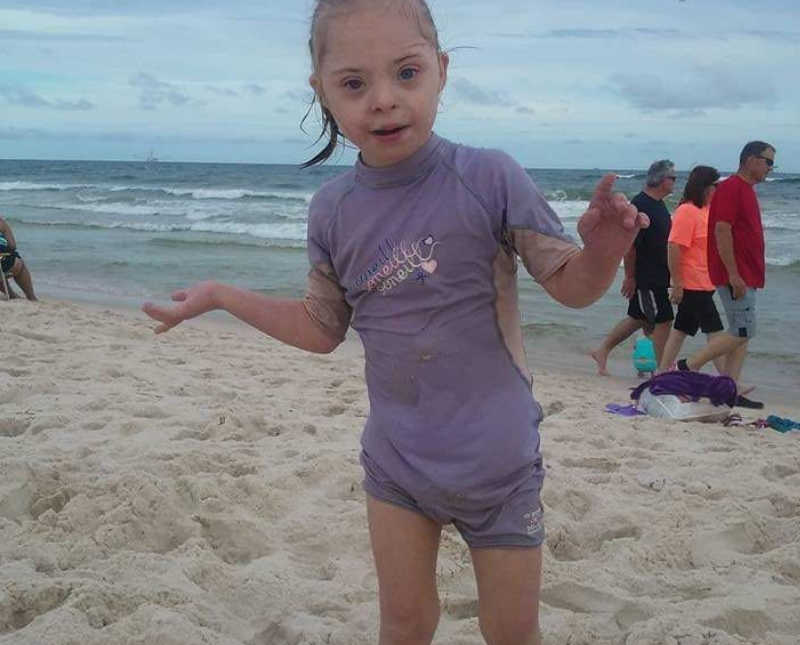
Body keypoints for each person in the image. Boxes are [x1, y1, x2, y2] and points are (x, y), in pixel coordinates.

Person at [143, 2, 649, 643]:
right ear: (322, 91)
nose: (383, 100)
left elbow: (573, 288)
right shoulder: (332, 211)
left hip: (499, 463)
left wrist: (604, 250)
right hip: (397, 464)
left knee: (511, 632)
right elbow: (321, 329)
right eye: (354, 83)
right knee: (403, 624)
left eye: (406, 74)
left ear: (440, 71)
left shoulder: (489, 176)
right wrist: (219, 295)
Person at [676, 141, 776, 409]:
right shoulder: (732, 188)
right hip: (736, 274)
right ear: (751, 160)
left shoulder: (745, 190)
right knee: (744, 330)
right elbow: (721, 230)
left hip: (746, 273)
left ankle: (728, 390)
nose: (770, 168)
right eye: (768, 161)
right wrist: (734, 274)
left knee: (740, 332)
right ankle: (688, 365)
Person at [591, 160, 676, 375]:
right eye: (672, 178)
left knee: (642, 319)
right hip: (648, 275)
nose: (675, 181)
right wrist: (630, 277)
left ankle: (606, 352)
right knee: (663, 320)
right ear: (660, 180)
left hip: (659, 274)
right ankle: (659, 371)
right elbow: (629, 247)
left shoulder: (658, 204)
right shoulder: (640, 205)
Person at [657, 166, 726, 373]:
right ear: (706, 187)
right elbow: (674, 246)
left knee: (681, 329)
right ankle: (729, 380)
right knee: (715, 332)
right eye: (716, 186)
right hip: (692, 283)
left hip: (706, 282)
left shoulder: (707, 211)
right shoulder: (687, 211)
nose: (718, 190)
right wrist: (677, 284)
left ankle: (662, 373)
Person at [0, 215, 37, 301]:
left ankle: (12, 295)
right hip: (4, 261)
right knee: (19, 265)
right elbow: (13, 245)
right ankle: (31, 297)